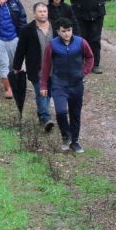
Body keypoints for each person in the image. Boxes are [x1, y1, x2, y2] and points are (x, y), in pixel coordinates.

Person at [40, 17, 94, 153]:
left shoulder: (81, 42)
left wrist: (84, 71)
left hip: (76, 84)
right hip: (59, 84)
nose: (67, 34)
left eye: (69, 30)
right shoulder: (52, 45)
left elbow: (90, 57)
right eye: (64, 31)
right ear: (58, 31)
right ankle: (65, 135)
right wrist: (43, 85)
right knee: (61, 112)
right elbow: (46, 66)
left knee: (75, 114)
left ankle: (74, 142)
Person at [62, 0, 112, 74]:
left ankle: (95, 64)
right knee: (81, 38)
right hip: (79, 12)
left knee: (95, 38)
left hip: (97, 11)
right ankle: (81, 62)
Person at [12, 2, 55, 131]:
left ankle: (42, 114)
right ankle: (46, 118)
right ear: (34, 14)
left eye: (45, 11)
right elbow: (20, 50)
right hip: (36, 68)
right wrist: (16, 67)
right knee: (41, 93)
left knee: (49, 93)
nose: (43, 13)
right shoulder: (27, 30)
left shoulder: (56, 27)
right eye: (40, 11)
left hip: (54, 68)